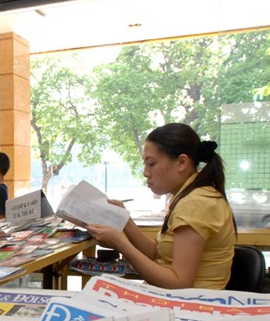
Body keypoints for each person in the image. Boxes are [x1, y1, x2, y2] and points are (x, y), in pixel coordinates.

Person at [86, 123, 235, 289]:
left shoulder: (197, 203)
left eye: (151, 164)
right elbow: (158, 255)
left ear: (181, 162)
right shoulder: (188, 196)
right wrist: (125, 220)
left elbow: (179, 283)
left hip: (191, 306)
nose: (145, 172)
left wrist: (121, 244)